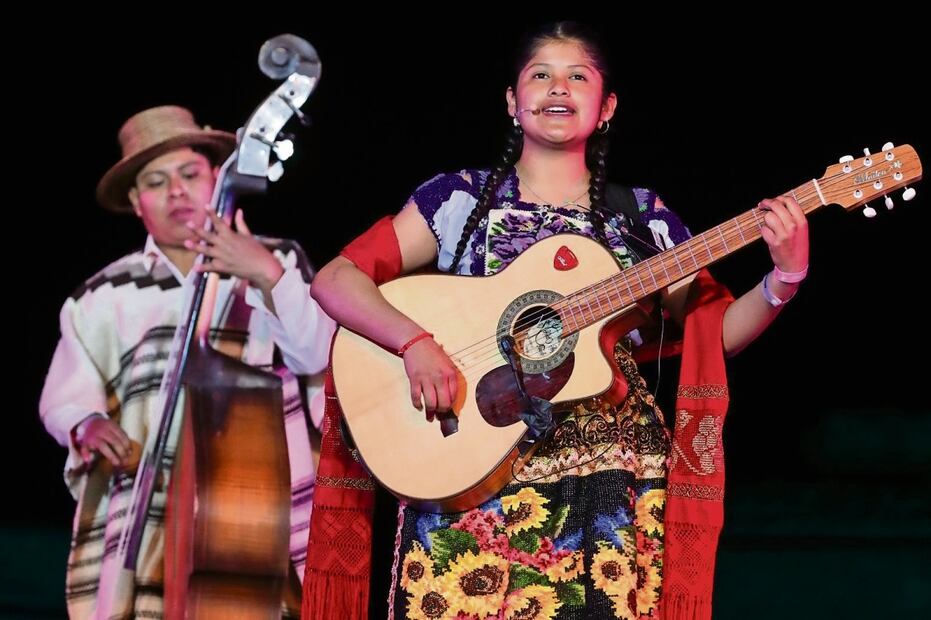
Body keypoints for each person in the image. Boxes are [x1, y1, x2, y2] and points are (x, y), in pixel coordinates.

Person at [303, 22, 808, 620]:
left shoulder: (641, 219)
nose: (557, 87)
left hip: (611, 490)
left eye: (578, 75)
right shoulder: (458, 201)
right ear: (512, 102)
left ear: (607, 105)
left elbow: (714, 335)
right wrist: (414, 343)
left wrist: (784, 278)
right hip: (472, 473)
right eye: (539, 74)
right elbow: (336, 279)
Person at [39, 105, 337, 619]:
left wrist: (265, 274)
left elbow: (315, 354)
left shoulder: (277, 261)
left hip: (257, 515)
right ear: (136, 201)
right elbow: (65, 392)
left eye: (189, 174)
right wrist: (83, 422)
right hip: (148, 507)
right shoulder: (103, 295)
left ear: (218, 178)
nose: (176, 191)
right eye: (156, 182)